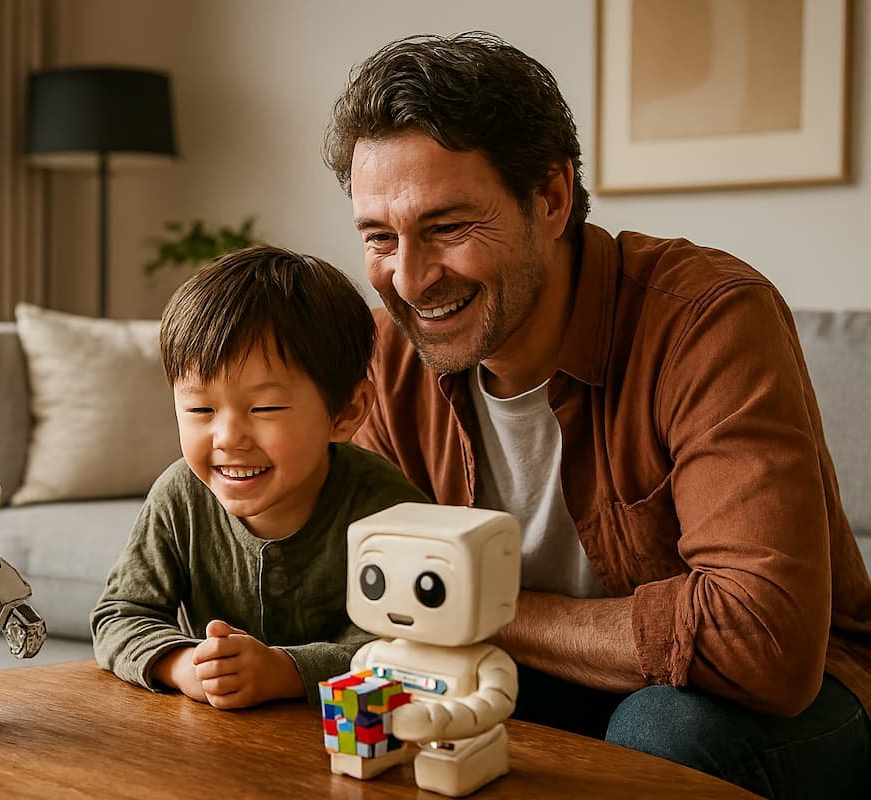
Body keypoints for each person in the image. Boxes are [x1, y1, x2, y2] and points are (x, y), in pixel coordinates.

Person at [322, 31, 871, 798]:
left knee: (657, 732)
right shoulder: (391, 353)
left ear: (550, 198)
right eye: (380, 237)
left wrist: (475, 606)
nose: (409, 280)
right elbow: (355, 585)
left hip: (791, 702)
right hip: (543, 677)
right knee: (380, 708)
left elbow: (764, 642)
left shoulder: (707, 321)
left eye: (448, 227)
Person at [91, 245, 429, 709]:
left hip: (353, 746)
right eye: (200, 409)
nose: (228, 437)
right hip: (215, 750)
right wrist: (183, 663)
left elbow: (411, 650)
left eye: (265, 408)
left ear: (347, 413)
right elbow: (118, 615)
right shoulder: (180, 496)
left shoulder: (390, 512)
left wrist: (285, 671)